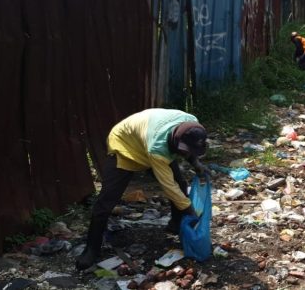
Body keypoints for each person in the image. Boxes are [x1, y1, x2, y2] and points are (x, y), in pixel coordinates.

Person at [75, 109, 210, 270]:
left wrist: (196, 164)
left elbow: (188, 145)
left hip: (149, 140)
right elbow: (168, 186)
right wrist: (190, 211)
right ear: (175, 140)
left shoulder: (192, 124)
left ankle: (176, 224)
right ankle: (91, 249)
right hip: (126, 145)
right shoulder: (158, 149)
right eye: (182, 151)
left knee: (180, 184)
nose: (183, 153)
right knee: (106, 202)